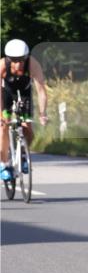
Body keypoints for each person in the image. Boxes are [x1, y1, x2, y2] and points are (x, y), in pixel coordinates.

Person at [1, 39, 48, 181]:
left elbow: (41, 91)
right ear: (9, 59)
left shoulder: (33, 64)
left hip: (25, 94)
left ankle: (23, 153)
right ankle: (3, 164)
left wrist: (42, 113)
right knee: (3, 127)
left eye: (22, 60)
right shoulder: (2, 65)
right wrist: (1, 113)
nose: (18, 64)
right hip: (6, 94)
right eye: (14, 60)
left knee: (28, 127)